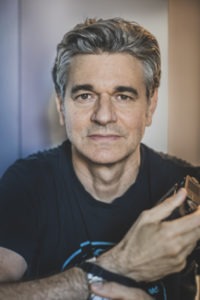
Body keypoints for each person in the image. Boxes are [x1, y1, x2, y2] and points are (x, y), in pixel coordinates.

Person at [0, 17, 199, 300]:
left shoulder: (187, 188)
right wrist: (117, 266)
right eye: (84, 95)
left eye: (123, 96)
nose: (103, 116)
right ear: (61, 105)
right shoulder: (28, 184)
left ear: (150, 106)